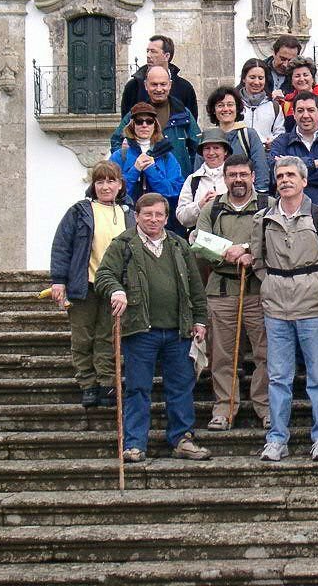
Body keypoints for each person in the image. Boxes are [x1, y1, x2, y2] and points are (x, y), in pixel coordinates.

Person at [94, 193, 210, 463]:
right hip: (139, 330)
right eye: (148, 214)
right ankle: (134, 444)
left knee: (181, 387)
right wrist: (116, 290)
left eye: (159, 215)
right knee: (137, 388)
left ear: (167, 218)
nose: (153, 219)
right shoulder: (123, 244)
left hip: (178, 330)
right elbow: (104, 275)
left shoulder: (179, 245)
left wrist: (200, 319)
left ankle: (182, 439)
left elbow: (195, 286)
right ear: (137, 216)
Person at [244, 156, 318, 462]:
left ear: (304, 181)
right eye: (280, 176)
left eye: (291, 175)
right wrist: (272, 283)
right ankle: (276, 438)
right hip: (276, 306)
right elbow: (258, 260)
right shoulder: (262, 219)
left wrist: (316, 286)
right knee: (278, 377)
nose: (285, 180)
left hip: (313, 305)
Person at [49, 160, 136, 408]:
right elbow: (62, 246)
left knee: (107, 337)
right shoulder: (80, 211)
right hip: (84, 284)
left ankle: (107, 382)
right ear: (93, 185)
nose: (105, 186)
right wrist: (58, 281)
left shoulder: (129, 214)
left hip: (115, 288)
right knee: (82, 337)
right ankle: (87, 383)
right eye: (100, 181)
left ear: (120, 185)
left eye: (111, 181)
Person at [195, 154, 267, 431]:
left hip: (258, 290)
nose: (238, 180)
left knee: (265, 354)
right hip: (222, 291)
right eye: (233, 175)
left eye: (243, 174)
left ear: (252, 176)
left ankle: (265, 406)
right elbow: (200, 243)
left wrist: (249, 251)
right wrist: (227, 252)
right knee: (222, 355)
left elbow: (275, 239)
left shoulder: (268, 205)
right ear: (224, 178)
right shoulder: (212, 209)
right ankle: (224, 408)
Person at [110, 66, 200, 197]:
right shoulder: (134, 113)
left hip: (175, 188)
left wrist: (191, 178)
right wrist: (129, 158)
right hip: (134, 193)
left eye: (163, 84)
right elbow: (116, 141)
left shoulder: (183, 114)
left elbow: (197, 148)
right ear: (146, 86)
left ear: (170, 85)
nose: (159, 89)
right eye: (154, 84)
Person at [268, 90, 318, 215]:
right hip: (289, 217)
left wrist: (292, 172)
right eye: (300, 111)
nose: (305, 115)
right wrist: (313, 163)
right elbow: (275, 172)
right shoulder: (281, 142)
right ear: (293, 114)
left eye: (311, 110)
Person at [110, 102, 184, 207]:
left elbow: (174, 192)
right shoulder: (120, 155)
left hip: (157, 213)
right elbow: (112, 192)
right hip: (127, 212)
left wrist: (152, 170)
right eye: (139, 121)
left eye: (149, 121)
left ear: (155, 125)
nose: (144, 125)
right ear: (132, 125)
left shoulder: (166, 156)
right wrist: (135, 170)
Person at [204, 86, 271, 195]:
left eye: (230, 104)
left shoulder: (248, 135)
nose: (226, 109)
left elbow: (261, 168)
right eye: (220, 105)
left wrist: (260, 195)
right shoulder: (208, 138)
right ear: (214, 110)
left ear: (237, 108)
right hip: (213, 197)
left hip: (244, 196)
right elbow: (199, 172)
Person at [120, 35, 198, 120]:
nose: (148, 55)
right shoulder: (133, 86)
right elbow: (126, 122)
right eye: (147, 51)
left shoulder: (185, 88)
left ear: (166, 56)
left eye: (153, 52)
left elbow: (191, 122)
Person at [175, 128, 231, 231]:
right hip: (199, 237)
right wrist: (200, 205)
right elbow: (182, 218)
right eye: (207, 148)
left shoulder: (235, 177)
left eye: (216, 148)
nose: (211, 152)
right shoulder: (192, 180)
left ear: (225, 151)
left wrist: (221, 202)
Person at [237, 58, 286, 149]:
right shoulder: (234, 105)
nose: (256, 82)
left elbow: (280, 133)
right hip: (238, 154)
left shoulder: (274, 107)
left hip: (265, 154)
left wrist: (273, 141)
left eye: (260, 78)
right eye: (252, 77)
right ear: (244, 79)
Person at [281, 56, 318, 131]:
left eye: (305, 75)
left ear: (313, 78)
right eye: (297, 76)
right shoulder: (286, 104)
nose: (302, 79)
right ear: (291, 81)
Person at [262, 34, 302, 99]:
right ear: (274, 53)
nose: (285, 64)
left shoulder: (300, 76)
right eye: (282, 59)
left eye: (290, 60)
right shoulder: (259, 69)